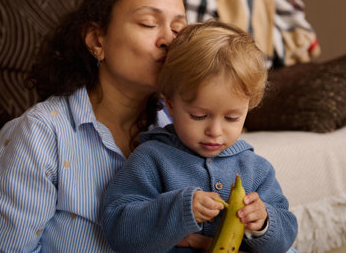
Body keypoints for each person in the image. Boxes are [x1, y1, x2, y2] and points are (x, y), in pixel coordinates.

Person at [0, 0, 189, 251]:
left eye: (178, 29)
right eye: (148, 23)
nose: (168, 40)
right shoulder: (40, 135)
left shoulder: (182, 128)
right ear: (97, 40)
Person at [101, 20, 298, 253]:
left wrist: (264, 223)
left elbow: (285, 236)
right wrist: (179, 209)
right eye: (198, 115)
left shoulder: (256, 170)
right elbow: (118, 228)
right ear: (171, 105)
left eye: (232, 118)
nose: (215, 131)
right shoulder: (151, 159)